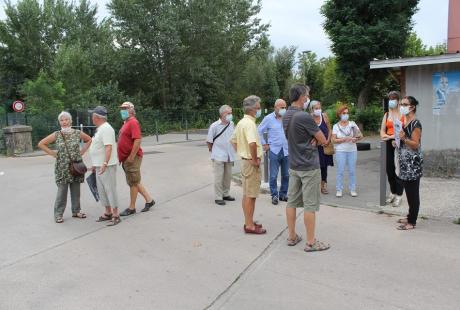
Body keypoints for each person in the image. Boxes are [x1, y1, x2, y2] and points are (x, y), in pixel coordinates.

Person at [282, 84, 330, 252]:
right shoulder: (304, 116)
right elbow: (323, 139)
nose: (308, 98)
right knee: (310, 205)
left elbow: (296, 137)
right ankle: (311, 242)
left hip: (294, 164)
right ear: (302, 97)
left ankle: (292, 236)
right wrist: (316, 140)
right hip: (308, 166)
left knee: (291, 202)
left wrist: (313, 139)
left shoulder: (286, 115)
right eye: (307, 95)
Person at [38, 111, 92, 223]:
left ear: (70, 121)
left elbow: (89, 139)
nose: (64, 122)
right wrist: (53, 153)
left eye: (66, 119)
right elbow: (41, 144)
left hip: (76, 166)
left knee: (76, 190)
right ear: (59, 122)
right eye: (62, 120)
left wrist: (82, 151)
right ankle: (58, 214)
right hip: (62, 167)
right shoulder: (56, 134)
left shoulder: (77, 133)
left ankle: (76, 211)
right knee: (62, 191)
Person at [231, 95, 266, 234]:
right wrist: (254, 159)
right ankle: (249, 225)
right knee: (251, 196)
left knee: (247, 194)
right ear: (252, 109)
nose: (260, 110)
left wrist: (242, 153)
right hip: (251, 164)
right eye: (258, 107)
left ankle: (249, 221)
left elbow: (233, 141)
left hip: (245, 162)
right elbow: (252, 143)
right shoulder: (250, 124)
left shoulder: (241, 122)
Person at [118, 102, 156, 216]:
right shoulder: (126, 122)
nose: (122, 110)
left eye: (124, 108)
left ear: (131, 110)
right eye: (121, 108)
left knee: (133, 183)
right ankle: (149, 200)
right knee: (134, 180)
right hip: (126, 158)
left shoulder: (133, 122)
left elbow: (137, 140)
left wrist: (131, 156)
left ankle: (132, 208)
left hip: (132, 158)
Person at [88, 106, 121, 226]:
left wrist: (105, 163)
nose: (91, 118)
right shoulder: (100, 128)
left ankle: (115, 214)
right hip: (99, 166)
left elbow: (108, 147)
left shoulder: (106, 128)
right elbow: (99, 148)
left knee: (110, 190)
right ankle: (108, 212)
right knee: (102, 190)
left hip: (107, 166)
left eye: (92, 116)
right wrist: (95, 165)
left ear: (96, 117)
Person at [395, 96, 423, 231]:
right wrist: (397, 141)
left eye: (404, 104)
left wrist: (403, 139)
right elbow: (404, 140)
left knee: (413, 193)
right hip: (405, 163)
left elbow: (416, 144)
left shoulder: (415, 124)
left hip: (413, 164)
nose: (401, 106)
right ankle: (410, 215)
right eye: (401, 104)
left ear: (412, 107)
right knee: (409, 192)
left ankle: (412, 222)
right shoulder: (405, 121)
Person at [257, 99, 289, 205]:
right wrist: (264, 144)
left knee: (286, 175)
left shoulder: (287, 118)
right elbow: (259, 131)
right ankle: (274, 195)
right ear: (275, 107)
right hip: (274, 150)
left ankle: (283, 194)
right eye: (281, 107)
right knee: (273, 175)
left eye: (285, 107)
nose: (284, 109)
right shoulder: (268, 118)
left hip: (286, 151)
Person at [206, 105, 236, 205]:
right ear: (222, 114)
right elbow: (209, 141)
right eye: (229, 113)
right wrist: (213, 150)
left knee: (228, 176)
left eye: (231, 113)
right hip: (218, 155)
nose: (231, 115)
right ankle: (218, 197)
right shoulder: (214, 126)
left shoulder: (231, 124)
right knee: (219, 177)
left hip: (229, 155)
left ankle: (226, 194)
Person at [331, 104, 363, 197]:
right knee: (340, 171)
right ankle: (339, 189)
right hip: (341, 151)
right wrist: (344, 139)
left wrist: (355, 139)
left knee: (352, 171)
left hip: (352, 150)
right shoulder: (336, 126)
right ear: (339, 114)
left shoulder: (352, 124)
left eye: (347, 113)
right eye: (344, 113)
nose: (346, 115)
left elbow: (360, 135)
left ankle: (352, 189)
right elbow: (333, 140)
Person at [380, 91, 404, 207]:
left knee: (398, 170)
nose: (391, 101)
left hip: (400, 143)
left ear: (398, 101)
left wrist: (396, 137)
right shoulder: (386, 115)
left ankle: (399, 195)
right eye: (390, 99)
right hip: (388, 142)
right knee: (389, 169)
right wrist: (388, 136)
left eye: (394, 99)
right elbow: (381, 132)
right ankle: (393, 192)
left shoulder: (403, 115)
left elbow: (405, 131)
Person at [308, 100, 333, 195]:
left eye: (319, 108)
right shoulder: (309, 118)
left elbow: (330, 129)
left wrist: (327, 140)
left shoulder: (324, 116)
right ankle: (314, 186)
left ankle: (323, 186)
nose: (318, 110)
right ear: (312, 109)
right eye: (316, 108)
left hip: (325, 146)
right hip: (314, 148)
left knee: (324, 167)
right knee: (314, 168)